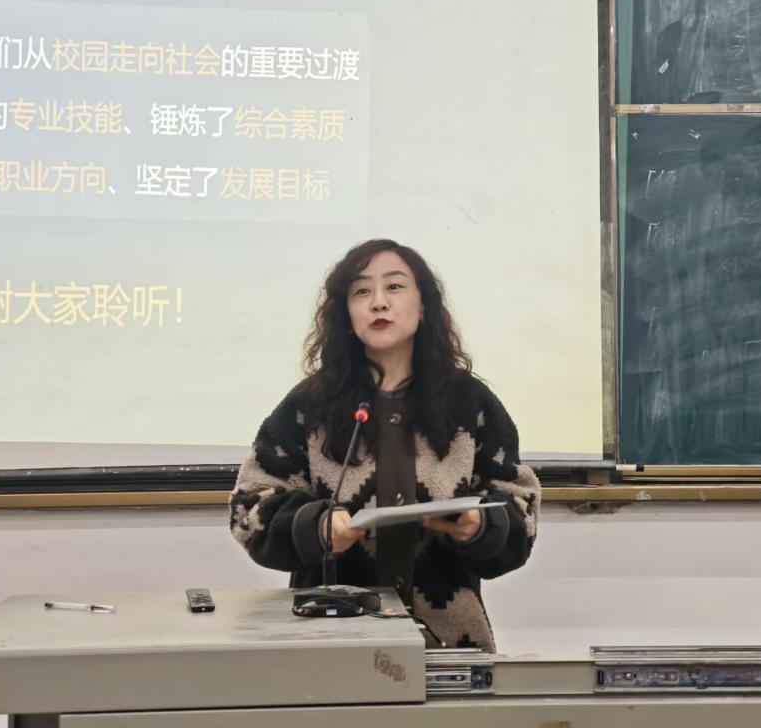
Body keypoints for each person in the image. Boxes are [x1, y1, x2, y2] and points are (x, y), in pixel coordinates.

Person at [228, 238, 539, 652]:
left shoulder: (470, 403)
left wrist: (481, 526)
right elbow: (249, 505)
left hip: (449, 645)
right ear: (346, 313)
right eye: (361, 291)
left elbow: (520, 503)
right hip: (331, 644)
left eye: (394, 287)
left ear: (423, 306)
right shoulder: (309, 405)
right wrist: (314, 527)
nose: (378, 302)